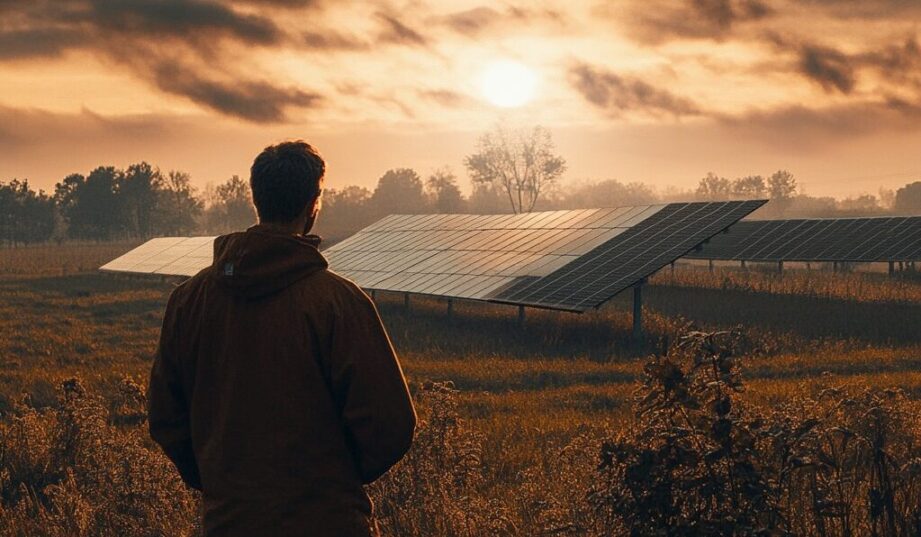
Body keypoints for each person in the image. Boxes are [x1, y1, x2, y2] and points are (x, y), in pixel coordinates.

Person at [147, 140, 416, 537]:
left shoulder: (189, 301)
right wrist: (331, 482)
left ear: (255, 197)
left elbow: (166, 416)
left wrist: (221, 481)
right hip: (331, 523)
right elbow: (391, 424)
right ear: (314, 203)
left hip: (229, 523)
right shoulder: (338, 302)